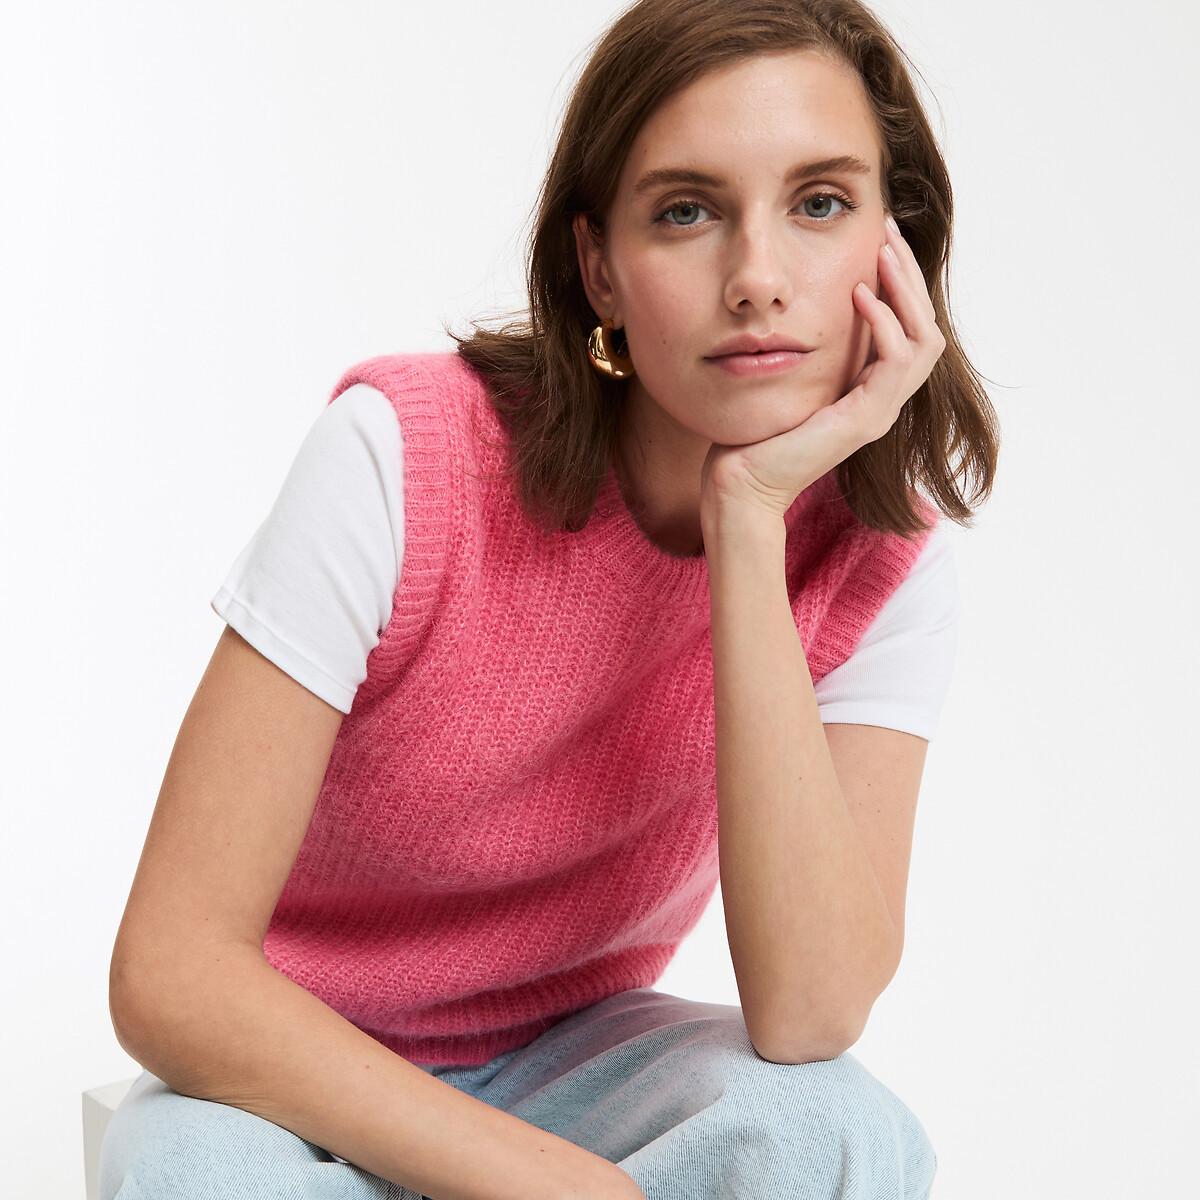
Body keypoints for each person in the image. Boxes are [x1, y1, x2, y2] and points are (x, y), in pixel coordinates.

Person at [99, 0, 999, 1197]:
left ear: (896, 245)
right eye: (686, 212)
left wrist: (746, 520)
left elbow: (809, 1011)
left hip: (579, 1062)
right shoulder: (403, 457)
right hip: (288, 1070)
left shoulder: (882, 562)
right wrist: (558, 1185)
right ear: (599, 269)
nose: (757, 279)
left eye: (820, 203)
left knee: (831, 1126)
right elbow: (169, 973)